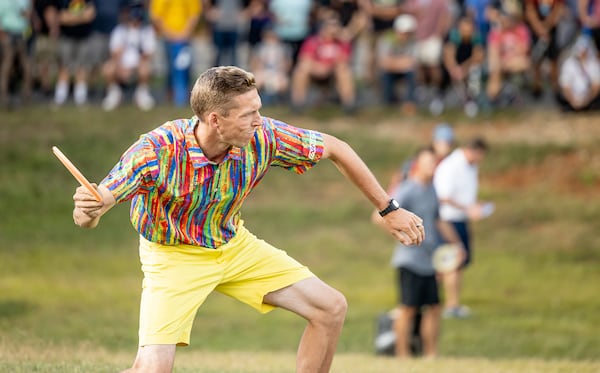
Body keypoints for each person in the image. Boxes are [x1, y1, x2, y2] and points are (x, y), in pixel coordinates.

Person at [71, 65, 425, 373]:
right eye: (248, 114)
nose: (259, 120)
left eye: (259, 109)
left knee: (330, 308)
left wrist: (388, 209)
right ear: (214, 119)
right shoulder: (158, 149)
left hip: (233, 245)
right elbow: (96, 205)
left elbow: (335, 148)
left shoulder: (264, 135)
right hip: (173, 256)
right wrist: (89, 210)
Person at [373, 146, 463, 358]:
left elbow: (438, 220)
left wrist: (458, 244)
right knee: (408, 308)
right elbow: (378, 217)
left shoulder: (433, 190)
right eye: (428, 162)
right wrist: (400, 235)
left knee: (434, 307)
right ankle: (403, 355)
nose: (433, 166)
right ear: (418, 164)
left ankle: (431, 355)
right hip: (409, 260)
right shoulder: (407, 189)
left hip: (430, 260)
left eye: (435, 162)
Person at [433, 137, 489, 319]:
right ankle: (448, 305)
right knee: (450, 262)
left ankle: (444, 302)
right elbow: (443, 196)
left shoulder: (471, 166)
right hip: (448, 219)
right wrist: (467, 208)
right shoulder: (451, 166)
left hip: (461, 218)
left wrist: (474, 206)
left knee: (456, 262)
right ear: (473, 150)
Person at [290, 14, 357, 113]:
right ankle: (298, 104)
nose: (334, 28)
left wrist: (327, 67)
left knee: (343, 70)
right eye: (331, 25)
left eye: (336, 25)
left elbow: (343, 60)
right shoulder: (313, 41)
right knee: (302, 69)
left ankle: (349, 105)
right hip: (315, 71)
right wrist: (317, 67)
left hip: (333, 72)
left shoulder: (342, 42)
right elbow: (305, 59)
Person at [101, 2, 157, 111]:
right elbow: (114, 53)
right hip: (121, 66)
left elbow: (148, 54)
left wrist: (135, 68)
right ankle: (114, 94)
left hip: (137, 67)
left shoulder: (147, 31)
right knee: (108, 68)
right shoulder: (119, 30)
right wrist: (120, 67)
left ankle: (141, 94)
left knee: (146, 68)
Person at [149, 0, 202, 106]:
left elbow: (194, 15)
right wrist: (170, 34)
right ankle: (170, 96)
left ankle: (184, 97)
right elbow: (156, 16)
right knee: (170, 69)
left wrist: (184, 33)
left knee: (184, 68)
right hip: (168, 38)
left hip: (185, 38)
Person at [386, 123, 455, 193]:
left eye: (449, 144)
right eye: (445, 143)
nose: (447, 147)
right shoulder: (422, 158)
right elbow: (399, 178)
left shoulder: (448, 162)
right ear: (435, 142)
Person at [485, 1, 531, 106]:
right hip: (501, 64)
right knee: (495, 70)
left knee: (522, 62)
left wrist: (506, 63)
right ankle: (492, 101)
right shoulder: (496, 32)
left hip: (516, 62)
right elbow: (493, 52)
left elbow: (524, 51)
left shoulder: (521, 30)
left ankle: (503, 99)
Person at [53, 0, 96, 106]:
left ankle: (80, 99)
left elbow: (90, 15)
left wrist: (72, 17)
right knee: (64, 67)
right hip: (67, 38)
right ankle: (59, 98)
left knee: (81, 67)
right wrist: (81, 17)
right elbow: (62, 17)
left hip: (84, 37)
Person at [442, 14, 485, 117]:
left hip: (468, 66)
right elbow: (448, 55)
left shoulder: (476, 37)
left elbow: (478, 57)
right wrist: (454, 69)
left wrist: (464, 69)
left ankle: (472, 100)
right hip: (455, 67)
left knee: (475, 71)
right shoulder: (453, 36)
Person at [376, 14, 419, 115]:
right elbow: (383, 63)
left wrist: (393, 62)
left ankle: (409, 103)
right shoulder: (386, 39)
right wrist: (401, 63)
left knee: (411, 74)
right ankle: (389, 103)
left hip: (403, 71)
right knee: (385, 75)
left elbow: (412, 63)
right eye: (405, 32)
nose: (406, 35)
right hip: (389, 71)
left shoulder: (413, 42)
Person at [525, 0, 565, 99]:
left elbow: (558, 10)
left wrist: (546, 27)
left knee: (554, 60)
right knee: (536, 61)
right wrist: (539, 29)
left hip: (552, 30)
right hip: (536, 31)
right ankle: (537, 90)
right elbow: (530, 11)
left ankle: (556, 91)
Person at [0, 0, 32, 108]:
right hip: (7, 33)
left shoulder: (24, 1)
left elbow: (28, 15)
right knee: (7, 66)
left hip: (22, 34)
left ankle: (26, 95)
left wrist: (26, 14)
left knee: (26, 66)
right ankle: (4, 96)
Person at [556, 35, 600, 111]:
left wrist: (586, 100)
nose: (582, 52)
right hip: (572, 99)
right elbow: (565, 85)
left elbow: (596, 85)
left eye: (585, 50)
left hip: (589, 99)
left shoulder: (594, 64)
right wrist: (572, 100)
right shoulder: (569, 64)